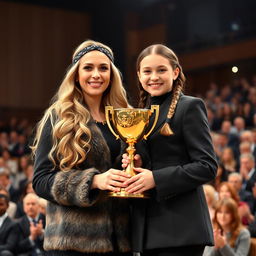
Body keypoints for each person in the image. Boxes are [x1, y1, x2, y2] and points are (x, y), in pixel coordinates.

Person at [31, 40, 132, 256]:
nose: (96, 74)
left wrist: (136, 164)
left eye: (103, 68)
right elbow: (40, 181)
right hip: (72, 245)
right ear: (76, 74)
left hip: (120, 242)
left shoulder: (124, 116)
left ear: (112, 75)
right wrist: (94, 181)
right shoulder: (58, 117)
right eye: (88, 67)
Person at [123, 44, 217, 256]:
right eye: (147, 71)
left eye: (161, 70)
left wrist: (156, 178)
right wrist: (135, 164)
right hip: (147, 229)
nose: (153, 77)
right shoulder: (138, 114)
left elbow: (207, 167)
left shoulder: (190, 107)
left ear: (175, 72)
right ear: (138, 75)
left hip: (181, 227)